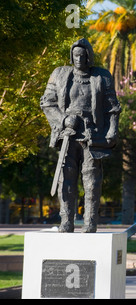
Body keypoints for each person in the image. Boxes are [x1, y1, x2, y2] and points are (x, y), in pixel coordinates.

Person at [40, 38, 121, 233]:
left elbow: (112, 108)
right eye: (76, 55)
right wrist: (63, 119)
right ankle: (66, 221)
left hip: (92, 136)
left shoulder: (102, 76)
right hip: (67, 136)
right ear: (71, 56)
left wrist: (112, 130)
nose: (79, 59)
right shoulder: (59, 74)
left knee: (91, 181)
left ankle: (90, 223)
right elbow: (47, 102)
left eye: (83, 55)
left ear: (89, 56)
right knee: (66, 179)